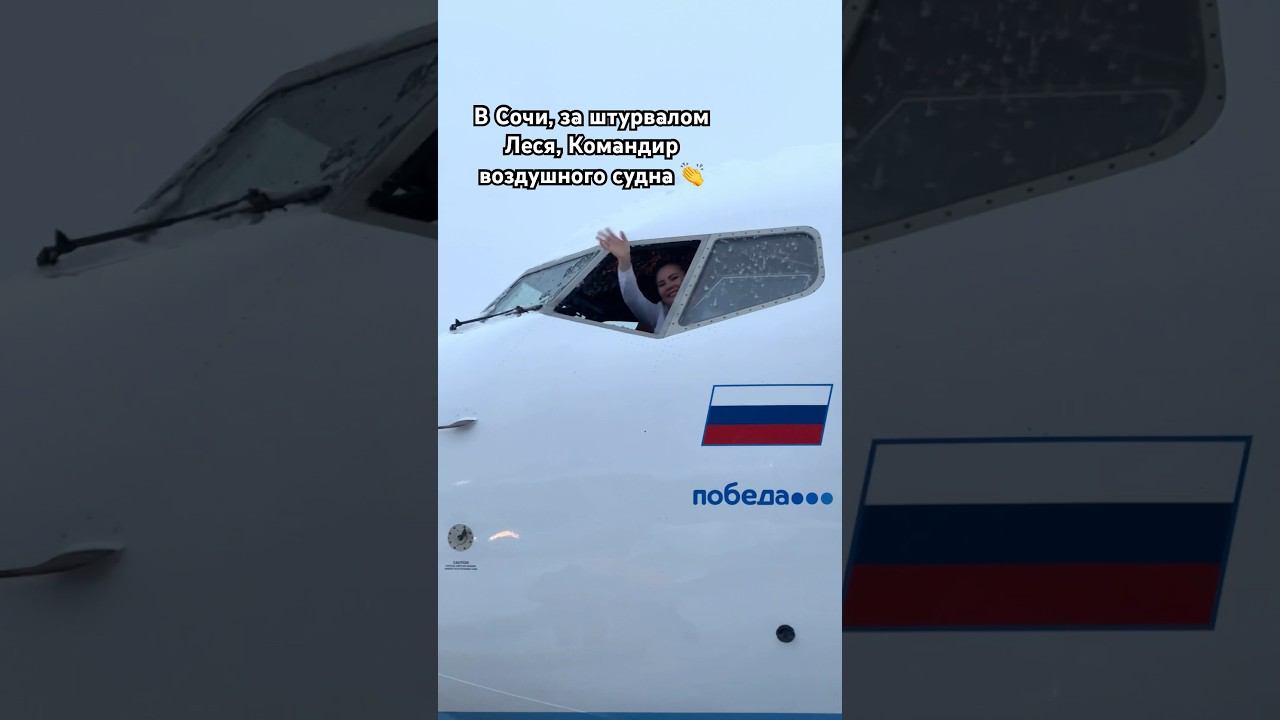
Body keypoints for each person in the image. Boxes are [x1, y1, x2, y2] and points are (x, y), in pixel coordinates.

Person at [596, 228, 685, 332]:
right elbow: (633, 298)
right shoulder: (658, 314)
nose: (669, 285)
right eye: (662, 284)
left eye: (674, 278)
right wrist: (624, 258)